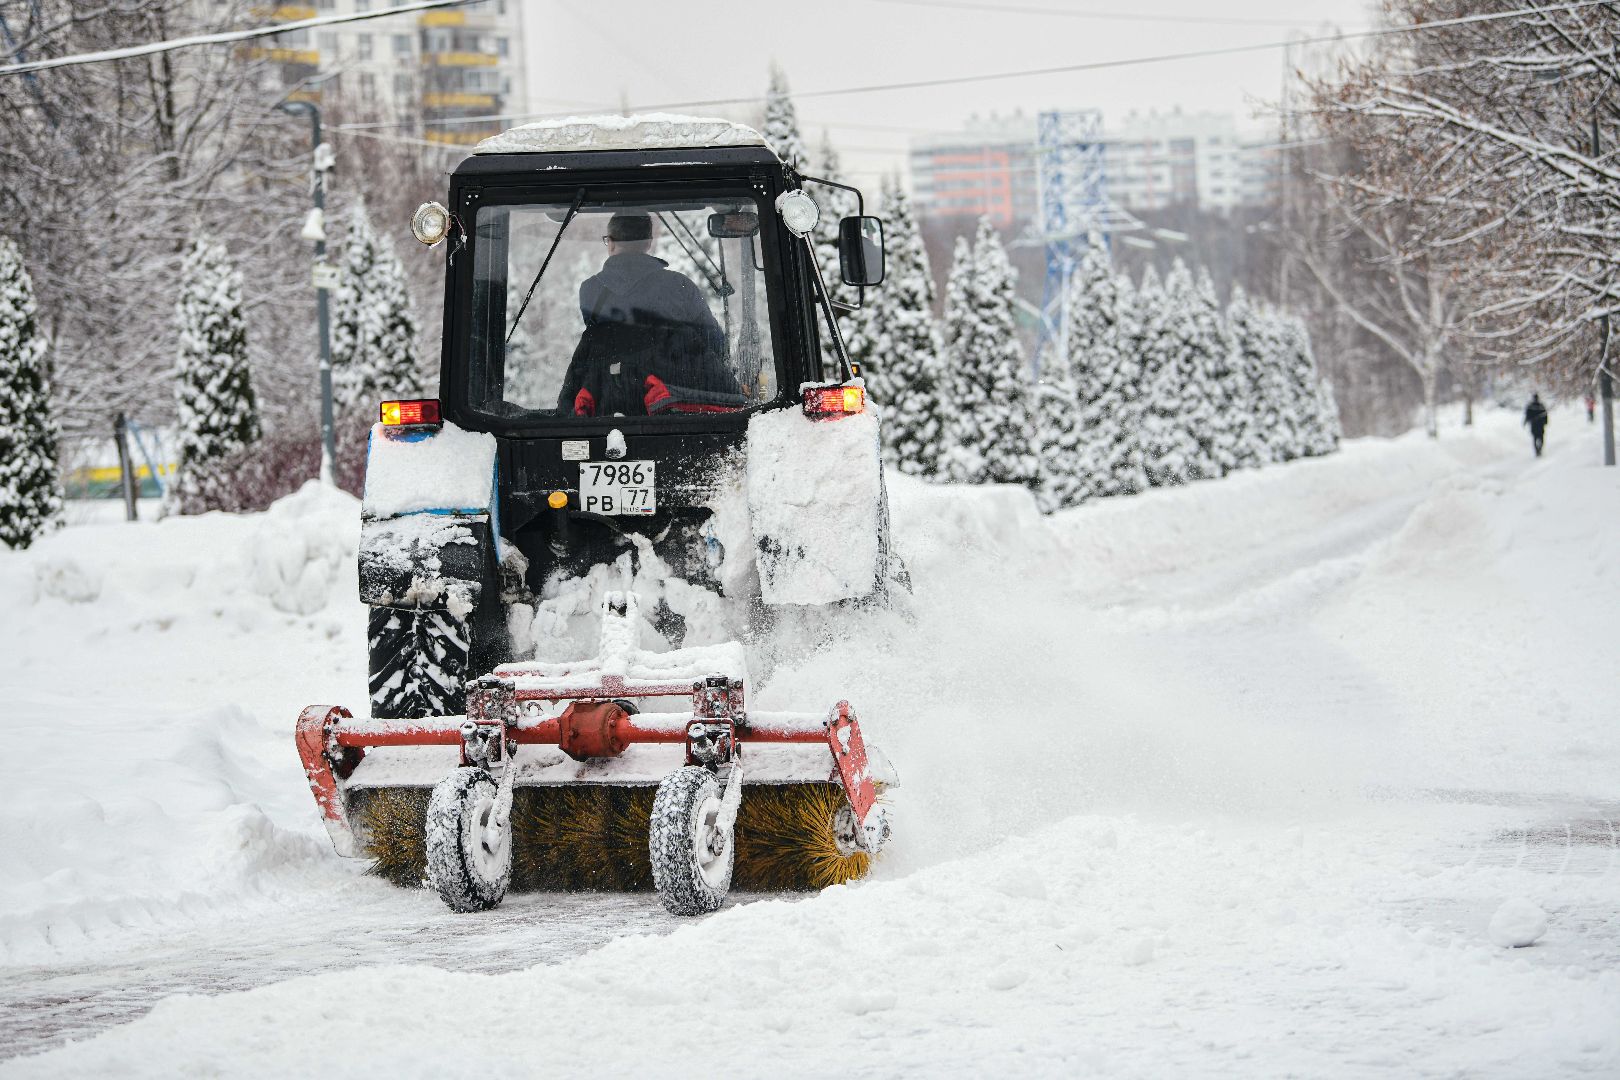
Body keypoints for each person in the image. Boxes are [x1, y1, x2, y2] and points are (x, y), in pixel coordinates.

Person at [557, 212, 741, 417]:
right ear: (648, 243)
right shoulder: (679, 286)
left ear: (610, 243)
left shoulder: (591, 290)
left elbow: (600, 346)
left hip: (608, 408)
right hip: (674, 409)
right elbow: (714, 343)